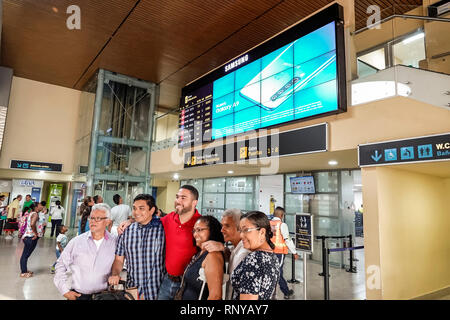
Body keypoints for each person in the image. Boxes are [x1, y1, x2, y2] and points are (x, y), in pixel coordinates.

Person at [118, 185, 201, 300]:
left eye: (183, 198)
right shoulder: (168, 219)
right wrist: (131, 220)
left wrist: (218, 246)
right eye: (177, 197)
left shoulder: (201, 223)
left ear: (194, 202)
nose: (178, 201)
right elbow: (146, 219)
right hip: (167, 281)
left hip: (189, 283)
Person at [54, 203, 117, 300]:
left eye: (98, 218)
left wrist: (115, 274)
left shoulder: (115, 243)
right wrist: (64, 290)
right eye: (91, 218)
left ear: (108, 221)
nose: (93, 222)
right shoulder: (77, 242)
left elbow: (122, 264)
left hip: (104, 295)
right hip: (79, 296)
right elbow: (60, 265)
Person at [109, 194, 165, 300]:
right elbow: (119, 260)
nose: (136, 212)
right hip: (133, 291)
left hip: (157, 290)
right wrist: (115, 274)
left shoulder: (163, 229)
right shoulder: (126, 232)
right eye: (134, 208)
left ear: (152, 210)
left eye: (141, 208)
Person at [202, 208, 250, 300]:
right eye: (222, 226)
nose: (222, 230)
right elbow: (230, 253)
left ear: (240, 227)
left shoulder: (244, 255)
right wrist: (222, 248)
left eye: (227, 226)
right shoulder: (235, 249)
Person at [231, 211, 280, 300]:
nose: (241, 235)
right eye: (240, 231)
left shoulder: (254, 260)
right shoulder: (273, 257)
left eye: (246, 230)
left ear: (262, 232)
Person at [178, 215, 225, 300]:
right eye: (194, 231)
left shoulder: (213, 256)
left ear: (212, 230)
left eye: (199, 230)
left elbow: (215, 296)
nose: (195, 234)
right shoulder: (199, 253)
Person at [270, 206, 298, 299]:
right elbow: (287, 239)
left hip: (269, 252)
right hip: (279, 253)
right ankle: (286, 292)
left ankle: (270, 292)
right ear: (281, 215)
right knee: (278, 272)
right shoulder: (282, 225)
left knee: (271, 271)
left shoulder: (268, 223)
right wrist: (294, 252)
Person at [19, 203, 40, 278]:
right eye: (40, 205)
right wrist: (35, 233)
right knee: (25, 255)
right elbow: (32, 224)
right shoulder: (35, 214)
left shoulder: (31, 213)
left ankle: (24, 269)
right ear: (36, 207)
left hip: (27, 236)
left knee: (26, 255)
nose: (42, 206)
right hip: (30, 237)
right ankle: (23, 272)